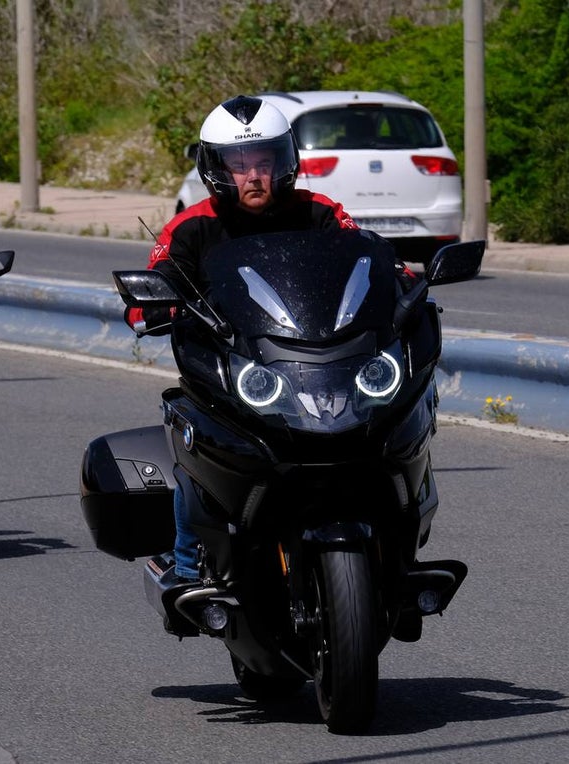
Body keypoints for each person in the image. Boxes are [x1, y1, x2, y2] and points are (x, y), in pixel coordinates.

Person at [126, 94, 384, 583]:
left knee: (393, 420)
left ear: (285, 159)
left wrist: (401, 278)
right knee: (196, 445)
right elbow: (147, 294)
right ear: (215, 168)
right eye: (239, 164)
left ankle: (396, 540)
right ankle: (186, 565)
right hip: (234, 372)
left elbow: (369, 261)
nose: (254, 176)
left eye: (264, 161)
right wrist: (155, 304)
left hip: (318, 361)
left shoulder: (320, 211)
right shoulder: (191, 226)